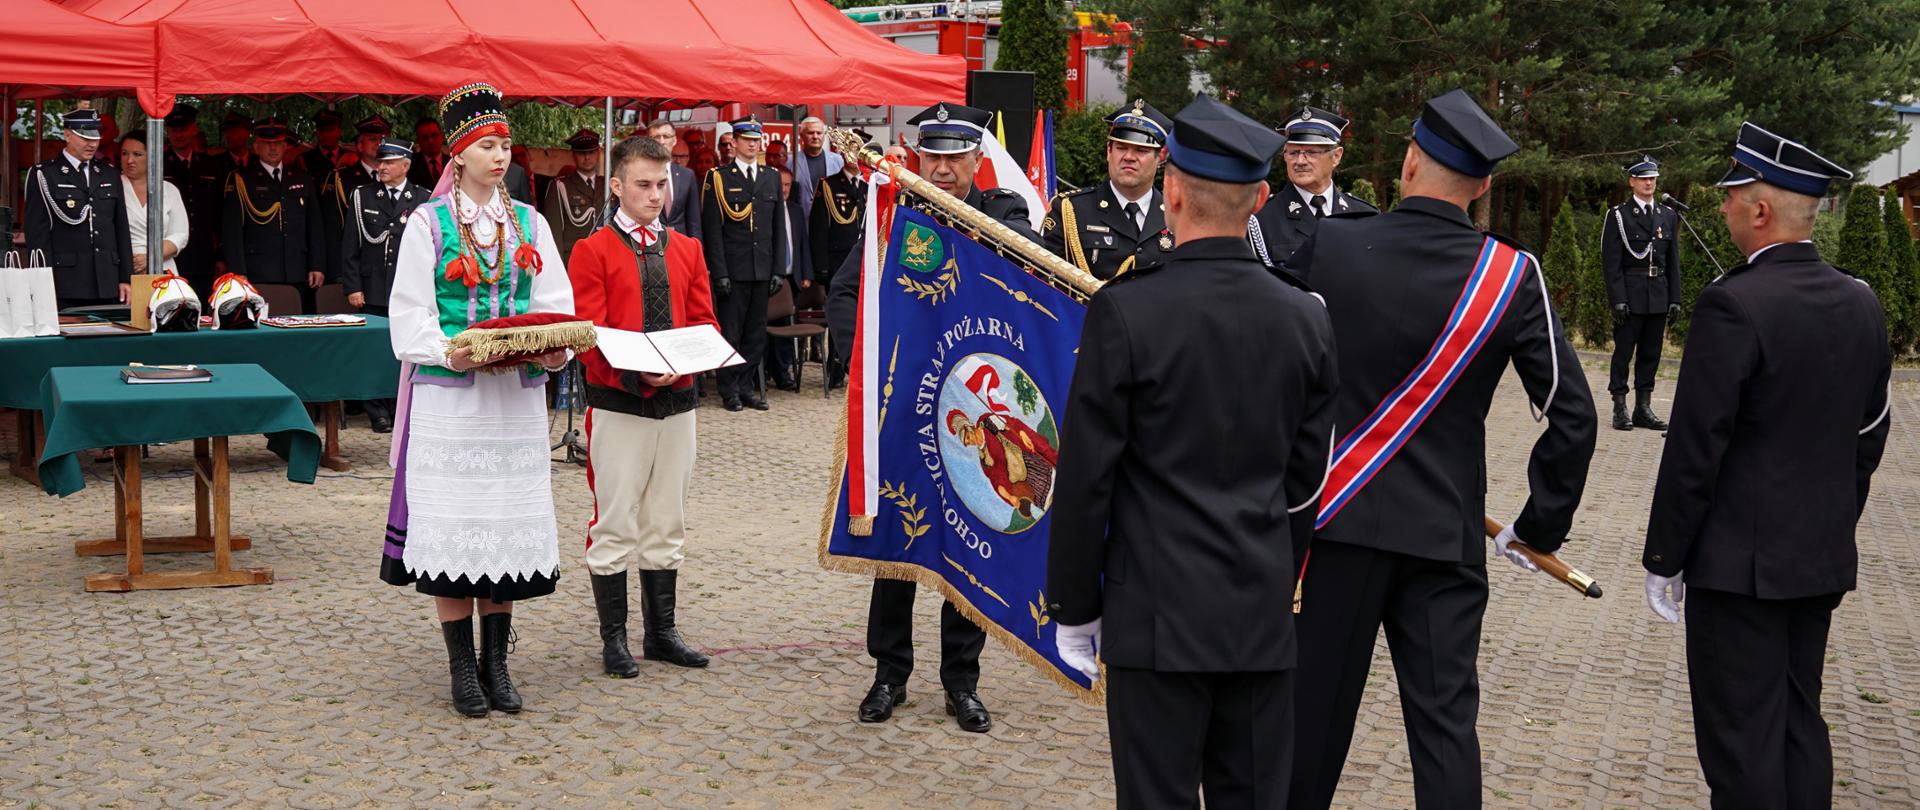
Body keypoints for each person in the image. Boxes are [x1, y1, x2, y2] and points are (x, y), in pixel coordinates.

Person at [1281, 89, 1597, 810]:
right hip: (1445, 536)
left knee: (1310, 725)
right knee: (1446, 731)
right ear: (1483, 185)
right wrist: (1537, 527)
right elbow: (1574, 418)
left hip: (1337, 530)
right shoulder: (1512, 276)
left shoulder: (1330, 245)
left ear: (1409, 160)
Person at [1045, 93, 1337, 809]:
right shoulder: (1306, 316)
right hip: (1261, 612)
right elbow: (1308, 481)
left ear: (1170, 190)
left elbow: (1086, 477)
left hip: (1154, 615)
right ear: (1263, 198)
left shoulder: (1126, 309)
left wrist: (1076, 606)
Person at [1641, 122, 1891, 810]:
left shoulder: (1734, 303)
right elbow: (1871, 434)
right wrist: (1828, 518)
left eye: (1730, 198)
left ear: (1758, 211)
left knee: (1742, 741)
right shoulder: (1861, 301)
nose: (1720, 210)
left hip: (1738, 568)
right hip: (1818, 558)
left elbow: (1697, 446)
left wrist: (1666, 555)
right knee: (1797, 722)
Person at [825, 101, 1033, 735]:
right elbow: (843, 291)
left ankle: (961, 684)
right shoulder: (894, 214)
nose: (941, 169)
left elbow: (1029, 283)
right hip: (906, 407)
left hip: (976, 409)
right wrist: (863, 363)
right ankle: (889, 675)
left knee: (969, 534)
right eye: (931, 156)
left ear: (978, 159)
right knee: (899, 537)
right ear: (918, 157)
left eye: (955, 157)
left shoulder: (1005, 217)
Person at [379, 81, 575, 718]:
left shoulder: (531, 222)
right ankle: (462, 669)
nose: (500, 156)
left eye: (505, 145)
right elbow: (409, 316)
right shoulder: (426, 224)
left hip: (514, 404)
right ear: (458, 156)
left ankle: (498, 665)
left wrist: (554, 349)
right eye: (487, 145)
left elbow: (554, 306)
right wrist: (450, 352)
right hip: (453, 404)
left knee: (503, 527)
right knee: (456, 527)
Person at [567, 135, 718, 678]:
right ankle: (614, 639)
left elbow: (705, 322)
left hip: (678, 401)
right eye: (643, 185)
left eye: (663, 184)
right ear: (617, 186)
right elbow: (589, 332)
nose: (656, 195)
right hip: (618, 403)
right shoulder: (592, 250)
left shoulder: (687, 249)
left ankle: (661, 633)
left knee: (667, 519)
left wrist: (689, 363)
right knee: (614, 521)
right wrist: (637, 371)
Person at [700, 115, 787, 412]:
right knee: (731, 332)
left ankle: (746, 385)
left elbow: (778, 229)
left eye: (755, 140)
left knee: (755, 333)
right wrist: (719, 272)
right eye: (746, 140)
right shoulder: (719, 178)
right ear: (734, 143)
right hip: (734, 270)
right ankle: (728, 389)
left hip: (762, 268)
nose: (752, 145)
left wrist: (779, 269)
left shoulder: (771, 177)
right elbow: (713, 231)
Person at [340, 137, 426, 434]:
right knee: (374, 350)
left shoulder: (422, 199)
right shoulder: (362, 196)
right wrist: (352, 286)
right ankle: (377, 411)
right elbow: (350, 246)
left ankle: (398, 406)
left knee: (402, 349)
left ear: (406, 165)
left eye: (389, 162)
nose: (382, 167)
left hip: (407, 289)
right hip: (372, 286)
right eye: (380, 161)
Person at [1041, 100, 1174, 280]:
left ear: (1161, 157)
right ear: (1108, 151)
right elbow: (1049, 286)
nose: (1129, 157)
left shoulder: (1179, 215)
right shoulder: (1070, 211)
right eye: (1121, 148)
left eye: (1141, 150)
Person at [1601, 155, 1683, 431]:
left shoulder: (1667, 215)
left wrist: (1675, 298)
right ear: (1632, 181)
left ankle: (1643, 408)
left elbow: (1672, 261)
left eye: (1653, 178)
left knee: (1651, 353)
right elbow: (1610, 262)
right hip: (1631, 294)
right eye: (1644, 178)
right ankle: (1620, 406)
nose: (1650, 183)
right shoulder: (1619, 216)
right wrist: (1618, 299)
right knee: (1624, 352)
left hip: (1658, 294)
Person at [22, 107, 133, 308]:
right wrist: (41, 283)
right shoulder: (45, 174)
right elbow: (37, 235)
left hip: (107, 280)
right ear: (67, 135)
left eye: (96, 138)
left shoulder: (109, 174)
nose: (92, 144)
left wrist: (126, 277)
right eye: (85, 138)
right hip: (66, 281)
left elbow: (121, 229)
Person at [1248, 107, 1378, 268]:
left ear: (1336, 156)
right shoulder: (1261, 220)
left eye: (1311, 152)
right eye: (1293, 153)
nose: (1300, 161)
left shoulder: (1364, 215)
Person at [221, 117, 325, 313]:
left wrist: (317, 264)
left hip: (297, 269)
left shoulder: (301, 177)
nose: (273, 149)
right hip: (258, 271)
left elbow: (314, 225)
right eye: (267, 144)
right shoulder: (242, 178)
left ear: (285, 146)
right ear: (256, 147)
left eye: (278, 143)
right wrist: (238, 272)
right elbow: (232, 231)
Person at [320, 115, 392, 293]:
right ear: (359, 146)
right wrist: (337, 269)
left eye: (382, 139)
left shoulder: (398, 177)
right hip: (355, 264)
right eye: (372, 139)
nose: (378, 143)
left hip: (388, 264)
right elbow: (333, 226)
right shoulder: (342, 178)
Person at [162, 104, 222, 291]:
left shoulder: (210, 165)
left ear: (194, 129)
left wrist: (220, 255)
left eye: (183, 129)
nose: (179, 135)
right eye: (174, 130)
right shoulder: (158, 164)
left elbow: (219, 214)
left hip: (202, 253)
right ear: (167, 131)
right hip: (169, 255)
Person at [763, 164, 811, 391]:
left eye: (787, 185)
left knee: (785, 328)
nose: (783, 189)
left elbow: (802, 244)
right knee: (765, 327)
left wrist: (806, 273)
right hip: (770, 278)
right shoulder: (764, 209)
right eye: (780, 184)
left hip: (793, 276)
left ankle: (783, 372)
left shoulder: (795, 210)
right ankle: (764, 372)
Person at [118, 131, 191, 277]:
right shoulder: (111, 187)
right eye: (125, 153)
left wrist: (151, 257)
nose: (129, 160)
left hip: (163, 266)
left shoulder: (168, 189)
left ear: (152, 156)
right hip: (124, 267)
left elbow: (180, 235)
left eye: (137, 154)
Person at [543, 128, 605, 262]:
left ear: (598, 153)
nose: (587, 157)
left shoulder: (608, 185)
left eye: (591, 152)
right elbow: (555, 232)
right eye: (582, 153)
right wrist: (558, 267)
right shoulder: (560, 186)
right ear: (573, 155)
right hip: (574, 260)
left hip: (605, 259)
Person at [647, 120, 702, 241]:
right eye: (656, 137)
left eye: (666, 136)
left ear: (674, 140)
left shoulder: (687, 175)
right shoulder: (640, 174)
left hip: (680, 245)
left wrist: (696, 250)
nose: (661, 141)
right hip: (649, 245)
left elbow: (694, 222)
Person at [789, 116, 844, 215]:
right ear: (801, 136)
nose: (815, 136)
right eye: (810, 133)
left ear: (824, 135)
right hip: (803, 223)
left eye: (819, 133)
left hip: (831, 222)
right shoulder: (791, 162)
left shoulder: (838, 161)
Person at [299, 109, 352, 181]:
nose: (325, 134)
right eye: (321, 130)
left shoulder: (351, 157)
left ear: (340, 132)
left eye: (330, 130)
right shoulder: (304, 159)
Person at [207, 111, 253, 178]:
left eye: (234, 131)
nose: (229, 135)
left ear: (247, 133)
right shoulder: (214, 163)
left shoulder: (259, 162)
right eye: (226, 132)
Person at [408, 118, 449, 187]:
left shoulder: (452, 163)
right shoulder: (410, 166)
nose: (430, 141)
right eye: (425, 137)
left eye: (434, 135)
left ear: (442, 136)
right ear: (418, 140)